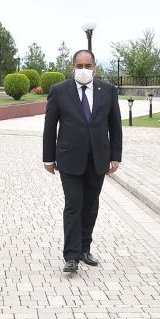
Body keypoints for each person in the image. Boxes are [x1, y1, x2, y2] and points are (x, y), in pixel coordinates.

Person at [42, 49, 122, 273]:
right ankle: (71, 256)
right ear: (73, 67)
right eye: (79, 66)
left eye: (88, 66)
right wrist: (48, 158)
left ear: (95, 67)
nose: (84, 70)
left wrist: (116, 156)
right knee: (73, 205)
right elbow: (50, 127)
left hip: (98, 159)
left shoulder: (108, 91)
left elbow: (115, 125)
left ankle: (85, 248)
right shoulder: (59, 91)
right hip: (69, 159)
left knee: (90, 206)